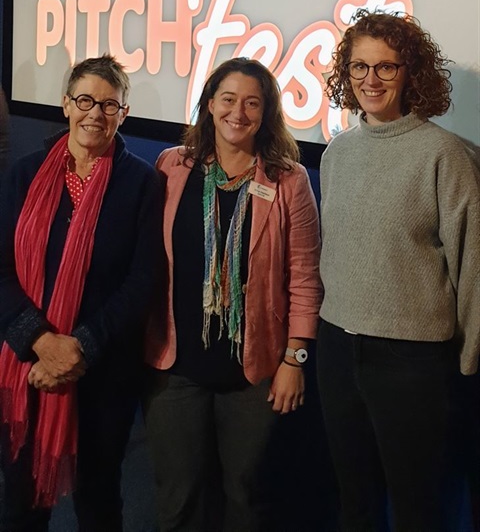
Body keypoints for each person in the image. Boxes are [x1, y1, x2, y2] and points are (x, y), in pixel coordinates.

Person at [317, 10, 480, 532]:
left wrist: (471, 363)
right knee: (354, 502)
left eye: (385, 68)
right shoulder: (337, 153)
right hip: (338, 349)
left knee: (416, 511)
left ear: (411, 73)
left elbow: (473, 265)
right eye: (359, 67)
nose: (370, 80)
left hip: (411, 362)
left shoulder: (446, 155)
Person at [144, 56, 321, 532]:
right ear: (208, 104)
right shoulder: (172, 168)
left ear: (266, 114)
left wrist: (295, 359)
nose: (237, 112)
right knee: (177, 499)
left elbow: (304, 276)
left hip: (256, 370)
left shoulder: (288, 180)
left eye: (251, 103)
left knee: (247, 497)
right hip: (175, 368)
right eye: (227, 99)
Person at [0, 54, 164, 532]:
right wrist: (43, 344)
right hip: (28, 365)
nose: (96, 113)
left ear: (124, 114)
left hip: (104, 369)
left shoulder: (142, 183)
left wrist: (79, 350)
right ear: (66, 105)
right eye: (85, 100)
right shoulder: (24, 175)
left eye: (109, 104)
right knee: (20, 504)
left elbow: (142, 282)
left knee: (99, 499)